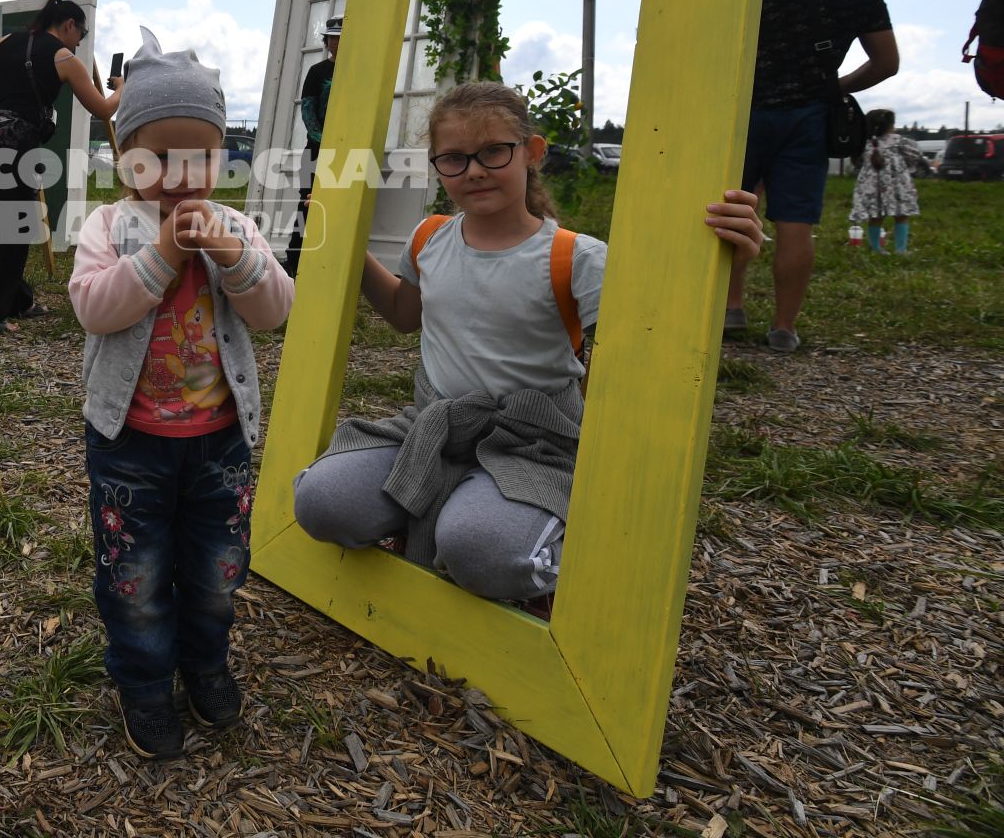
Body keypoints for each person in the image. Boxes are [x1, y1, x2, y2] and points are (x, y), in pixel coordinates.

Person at [292, 82, 761, 608]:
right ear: (436, 165)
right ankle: (455, 506)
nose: (473, 170)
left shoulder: (575, 257)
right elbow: (405, 316)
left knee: (484, 554)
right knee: (320, 503)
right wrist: (346, 245)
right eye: (453, 158)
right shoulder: (429, 237)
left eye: (494, 151)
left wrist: (723, 267)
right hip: (434, 426)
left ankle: (525, 529)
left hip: (536, 440)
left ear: (532, 153)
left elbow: (657, 344)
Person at [67, 29, 294, 759]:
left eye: (198, 155)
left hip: (220, 443)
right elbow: (95, 308)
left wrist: (231, 256)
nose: (178, 173)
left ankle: (204, 662)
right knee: (132, 576)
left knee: (217, 569)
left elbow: (275, 312)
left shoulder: (236, 228)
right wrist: (164, 255)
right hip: (130, 445)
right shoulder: (110, 225)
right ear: (125, 155)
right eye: (158, 156)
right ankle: (142, 681)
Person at [726, 0, 897, 355]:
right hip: (809, 117)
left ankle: (732, 308)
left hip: (746, 112)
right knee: (796, 223)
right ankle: (784, 328)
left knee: (735, 210)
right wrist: (833, 86)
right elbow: (886, 63)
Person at [0, 0, 120, 336]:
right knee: (8, 231)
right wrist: (123, 89)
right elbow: (102, 109)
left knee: (8, 225)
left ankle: (17, 300)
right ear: (69, 25)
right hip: (13, 146)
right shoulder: (63, 56)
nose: (79, 42)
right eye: (81, 34)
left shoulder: (6, 41)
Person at [284, 16, 342, 276]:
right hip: (316, 148)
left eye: (341, 38)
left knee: (340, 204)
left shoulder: (357, 72)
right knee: (306, 203)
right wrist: (323, 141)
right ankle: (293, 260)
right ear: (326, 42)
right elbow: (308, 111)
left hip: (347, 151)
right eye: (332, 38)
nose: (336, 43)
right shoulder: (317, 72)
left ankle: (329, 262)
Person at [849, 109, 925, 253]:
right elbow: (915, 156)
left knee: (875, 216)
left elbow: (857, 161)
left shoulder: (864, 144)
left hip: (872, 186)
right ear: (891, 125)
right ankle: (901, 250)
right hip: (897, 185)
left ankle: (876, 248)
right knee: (901, 216)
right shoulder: (899, 142)